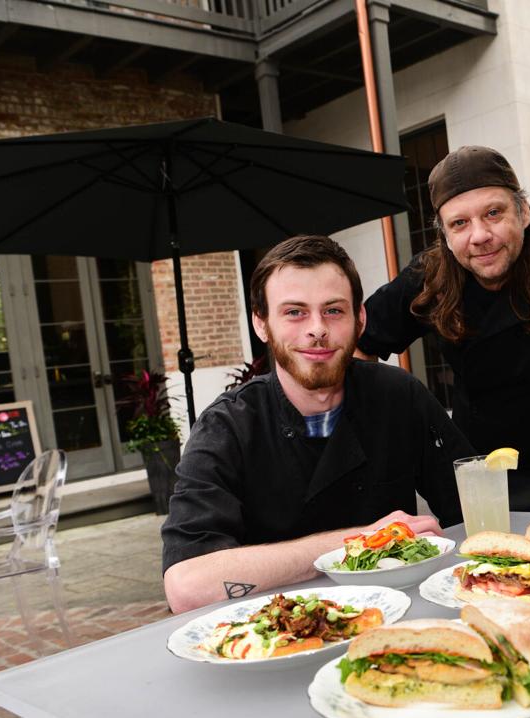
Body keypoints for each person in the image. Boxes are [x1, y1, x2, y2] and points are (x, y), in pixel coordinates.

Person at [161, 234, 473, 615]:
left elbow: (471, 515)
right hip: (277, 637)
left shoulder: (399, 395)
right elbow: (186, 587)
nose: (317, 329)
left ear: (360, 319)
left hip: (400, 623)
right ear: (262, 324)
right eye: (294, 312)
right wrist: (361, 541)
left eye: (333, 311)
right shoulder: (228, 427)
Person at [358, 145, 530, 539]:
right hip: (477, 476)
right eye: (459, 224)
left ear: (524, 211)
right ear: (445, 236)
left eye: (494, 213)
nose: (480, 236)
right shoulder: (428, 276)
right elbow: (355, 342)